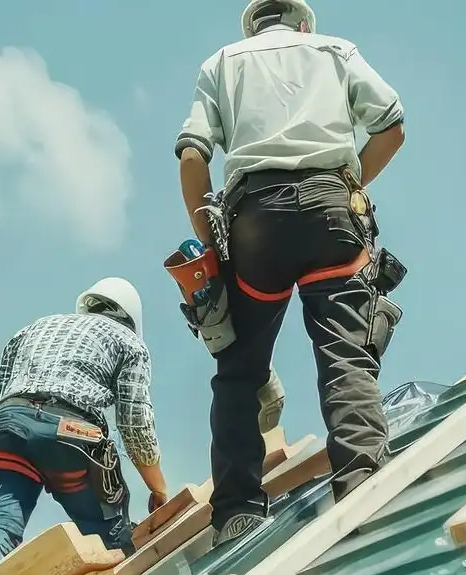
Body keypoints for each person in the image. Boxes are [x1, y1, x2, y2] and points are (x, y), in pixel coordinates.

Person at [175, 0, 407, 545]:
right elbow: (392, 127)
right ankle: (362, 481)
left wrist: (210, 245)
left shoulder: (221, 63)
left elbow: (191, 156)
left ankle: (237, 509)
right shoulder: (334, 50)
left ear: (252, 24)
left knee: (239, 371)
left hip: (255, 219)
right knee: (345, 353)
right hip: (333, 211)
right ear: (303, 23)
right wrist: (353, 186)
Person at [0, 277, 167, 575]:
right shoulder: (129, 342)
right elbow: (134, 422)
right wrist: (158, 489)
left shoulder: (32, 328)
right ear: (130, 319)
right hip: (70, 433)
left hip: (9, 424)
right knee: (104, 529)